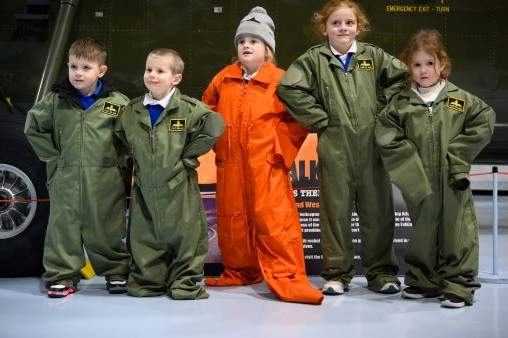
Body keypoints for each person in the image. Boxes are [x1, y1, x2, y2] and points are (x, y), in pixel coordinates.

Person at [277, 0, 406, 295]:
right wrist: (319, 118)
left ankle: (382, 273)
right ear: (324, 29)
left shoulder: (372, 56)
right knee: (335, 213)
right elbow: (288, 87)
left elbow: (401, 79)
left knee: (378, 211)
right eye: (335, 23)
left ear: (359, 27)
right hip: (334, 146)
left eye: (349, 22)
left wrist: (382, 111)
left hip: (373, 146)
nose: (343, 28)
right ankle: (337, 274)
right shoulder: (314, 60)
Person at [202, 7, 324, 305]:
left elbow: (300, 117)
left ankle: (286, 276)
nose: (246, 45)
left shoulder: (282, 80)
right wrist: (219, 145)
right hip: (231, 166)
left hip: (267, 164)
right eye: (242, 40)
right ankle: (241, 270)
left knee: (274, 222)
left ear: (267, 49)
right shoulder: (224, 78)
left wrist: (279, 150)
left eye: (254, 41)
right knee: (234, 221)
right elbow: (206, 112)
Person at [375, 29, 495, 308]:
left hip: (453, 177)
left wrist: (458, 154)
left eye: (430, 63)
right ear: (409, 68)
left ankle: (459, 284)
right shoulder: (401, 104)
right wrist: (407, 165)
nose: (423, 70)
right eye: (416, 64)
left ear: (442, 65)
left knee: (458, 230)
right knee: (423, 230)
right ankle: (423, 280)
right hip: (419, 178)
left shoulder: (458, 99)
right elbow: (386, 133)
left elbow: (485, 119)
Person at [24, 37, 131, 298]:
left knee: (107, 226)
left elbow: (131, 135)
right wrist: (55, 158)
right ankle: (61, 274)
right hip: (65, 177)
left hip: (105, 179)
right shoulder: (56, 100)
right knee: (64, 227)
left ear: (101, 71)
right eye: (73, 67)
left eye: (86, 67)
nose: (78, 73)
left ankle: (116, 272)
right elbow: (33, 127)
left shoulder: (116, 103)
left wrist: (119, 159)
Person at [115, 48, 225, 300]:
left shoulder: (187, 109)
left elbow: (215, 125)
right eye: (149, 70)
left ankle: (184, 282)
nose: (152, 75)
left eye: (160, 71)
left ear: (175, 78)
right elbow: (122, 135)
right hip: (144, 190)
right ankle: (149, 281)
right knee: (145, 237)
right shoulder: (133, 111)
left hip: (179, 188)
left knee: (187, 237)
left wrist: (188, 156)